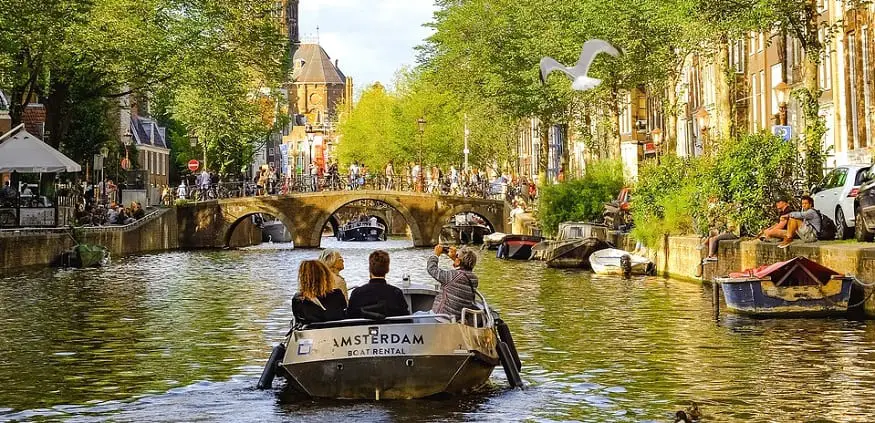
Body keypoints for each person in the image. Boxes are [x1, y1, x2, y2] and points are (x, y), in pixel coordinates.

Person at [421, 245, 479, 322]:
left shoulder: (453, 276)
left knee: (413, 316)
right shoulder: (473, 279)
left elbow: (432, 269)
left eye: (457, 256)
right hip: (455, 319)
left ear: (458, 261)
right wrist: (455, 258)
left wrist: (436, 254)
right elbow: (464, 269)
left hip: (439, 318)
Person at [346, 250, 409, 319]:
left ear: (370, 268)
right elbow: (405, 318)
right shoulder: (396, 293)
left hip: (361, 329)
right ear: (387, 269)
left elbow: (350, 316)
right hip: (391, 329)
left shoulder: (357, 293)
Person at [292, 260, 347, 324]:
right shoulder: (337, 294)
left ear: (303, 278)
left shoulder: (299, 299)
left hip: (312, 332)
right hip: (338, 330)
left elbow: (299, 319)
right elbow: (344, 313)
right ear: (326, 275)